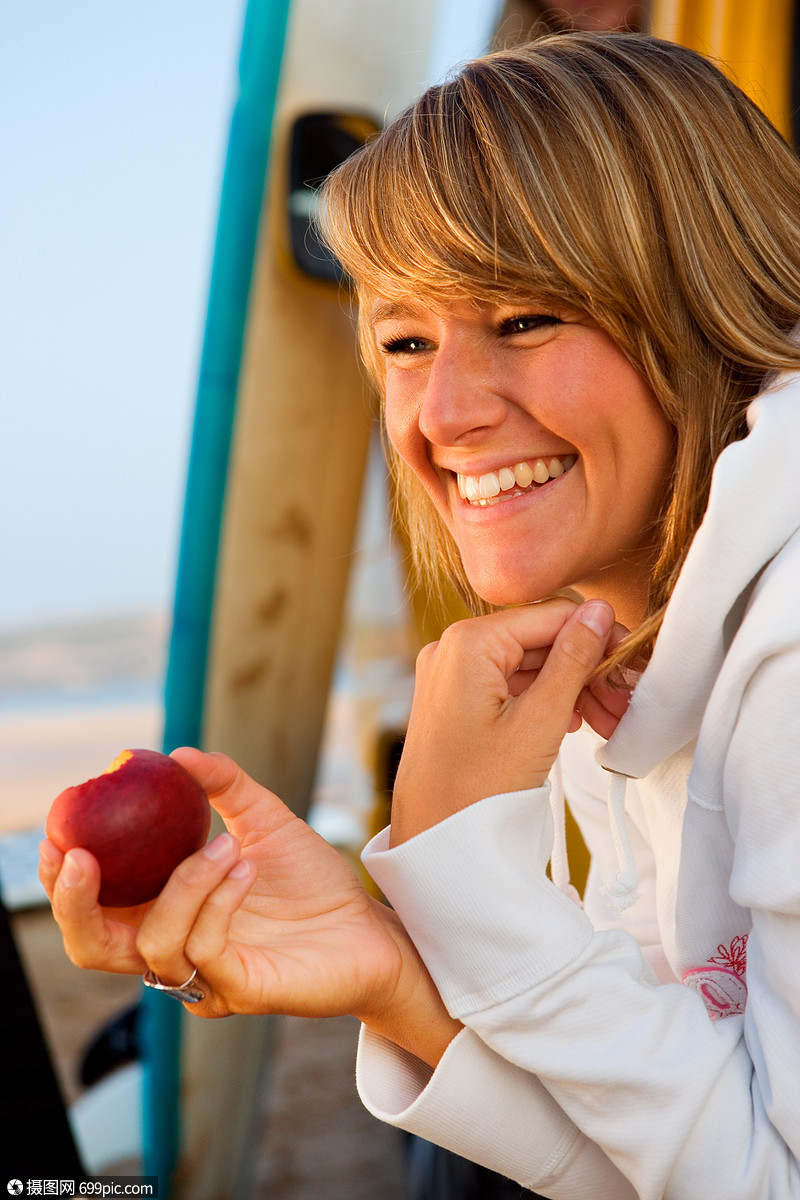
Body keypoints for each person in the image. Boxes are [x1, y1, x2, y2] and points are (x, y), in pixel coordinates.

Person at [40, 32, 800, 1198]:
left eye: (525, 320)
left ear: (703, 299)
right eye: (403, 342)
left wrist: (467, 870)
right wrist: (394, 974)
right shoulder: (622, 671)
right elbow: (676, 1156)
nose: (441, 414)